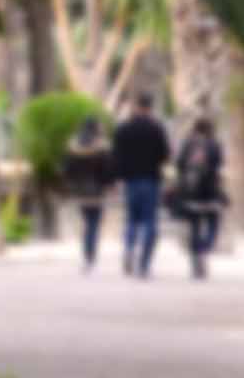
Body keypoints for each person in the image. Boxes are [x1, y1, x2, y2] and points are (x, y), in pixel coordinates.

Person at [108, 90, 170, 277]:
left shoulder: (124, 129)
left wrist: (115, 179)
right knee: (150, 221)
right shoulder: (157, 129)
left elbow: (116, 156)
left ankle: (129, 248)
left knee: (131, 219)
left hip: (130, 181)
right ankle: (144, 262)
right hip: (150, 179)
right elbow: (165, 155)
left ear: (136, 106)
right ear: (150, 107)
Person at [173, 108, 228, 278]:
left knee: (194, 226)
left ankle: (195, 257)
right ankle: (204, 248)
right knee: (213, 223)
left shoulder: (187, 144)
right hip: (210, 191)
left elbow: (179, 164)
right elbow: (219, 165)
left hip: (191, 192)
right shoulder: (214, 144)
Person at [62, 116, 115, 268]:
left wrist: (70, 184)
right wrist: (110, 184)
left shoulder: (73, 145)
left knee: (86, 220)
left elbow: (67, 169)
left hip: (79, 190)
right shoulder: (101, 146)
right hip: (97, 190)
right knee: (94, 221)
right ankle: (90, 252)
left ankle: (87, 251)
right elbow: (108, 168)